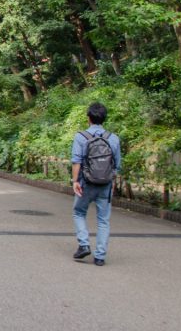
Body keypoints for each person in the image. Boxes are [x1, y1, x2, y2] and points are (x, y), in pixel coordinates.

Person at [71, 102, 122, 266]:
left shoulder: (81, 137)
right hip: (105, 184)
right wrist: (112, 181)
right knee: (103, 220)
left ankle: (84, 244)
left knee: (79, 212)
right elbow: (117, 165)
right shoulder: (113, 138)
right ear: (104, 118)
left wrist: (75, 181)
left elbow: (76, 161)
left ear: (89, 118)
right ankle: (100, 256)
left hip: (86, 182)